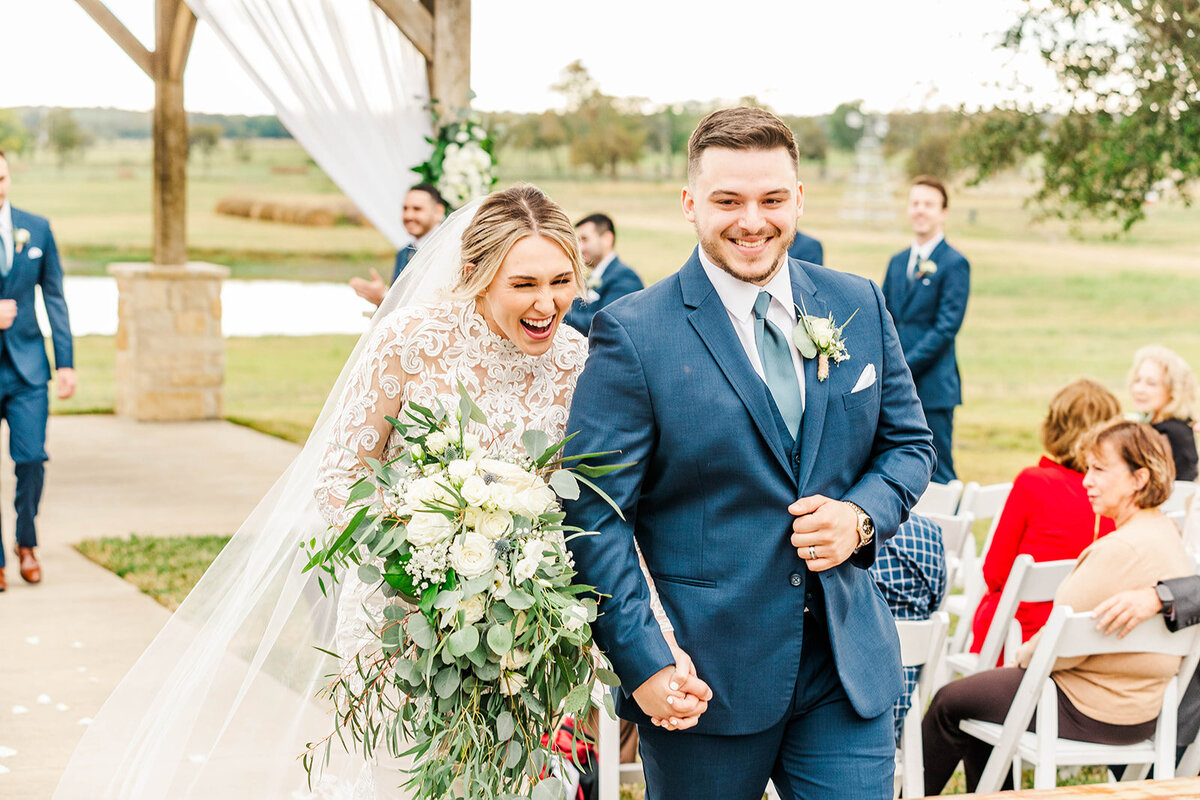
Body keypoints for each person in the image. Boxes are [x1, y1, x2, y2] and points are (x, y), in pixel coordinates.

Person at [52, 186, 701, 800]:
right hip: (401, 618)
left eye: (562, 282)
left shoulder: (578, 361)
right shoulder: (407, 343)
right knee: (404, 774)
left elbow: (598, 511)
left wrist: (652, 637)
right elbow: (341, 480)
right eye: (524, 284)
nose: (545, 304)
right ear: (476, 272)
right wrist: (425, 572)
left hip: (527, 630)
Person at [565, 106, 936, 800]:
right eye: (727, 201)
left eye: (771, 199)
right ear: (689, 203)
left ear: (798, 198)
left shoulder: (857, 302)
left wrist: (860, 516)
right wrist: (642, 661)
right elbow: (594, 514)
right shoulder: (634, 332)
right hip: (702, 678)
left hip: (844, 672)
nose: (752, 221)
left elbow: (909, 445)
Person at [923, 419, 1191, 794]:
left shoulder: (1119, 549)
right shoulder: (1167, 534)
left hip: (1087, 707)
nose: (1086, 480)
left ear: (1139, 479)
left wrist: (1021, 653)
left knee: (949, 701)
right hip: (1145, 712)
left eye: (1099, 470)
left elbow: (1053, 649)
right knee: (982, 701)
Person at [970, 379, 1120, 657]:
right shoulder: (1116, 495)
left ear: (1054, 426)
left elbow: (995, 573)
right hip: (1085, 637)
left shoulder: (1034, 482)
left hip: (1018, 636)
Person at [0, 149, 75, 591]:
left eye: (2, 177)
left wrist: (65, 362)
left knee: (31, 459)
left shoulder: (38, 228)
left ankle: (26, 543)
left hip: (29, 370)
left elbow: (55, 299)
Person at [881, 176, 970, 483]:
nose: (920, 210)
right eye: (915, 203)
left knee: (939, 469)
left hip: (933, 387)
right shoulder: (897, 262)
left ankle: (955, 530)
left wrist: (903, 366)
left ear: (943, 212)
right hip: (894, 388)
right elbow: (886, 319)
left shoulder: (955, 263)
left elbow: (946, 329)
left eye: (928, 204)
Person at [869, 513, 947, 741]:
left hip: (826, 723)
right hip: (899, 710)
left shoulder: (829, 538)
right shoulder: (930, 534)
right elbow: (936, 601)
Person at [348, 183, 446, 307]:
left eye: (417, 209)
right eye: (405, 208)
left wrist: (384, 296)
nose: (408, 215)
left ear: (438, 212)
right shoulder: (403, 253)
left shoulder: (450, 248)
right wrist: (382, 298)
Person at [563, 213, 644, 335]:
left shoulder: (626, 277)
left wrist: (558, 317)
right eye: (578, 241)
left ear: (607, 239)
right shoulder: (591, 277)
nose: (579, 248)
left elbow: (607, 323)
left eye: (584, 239)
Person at [1128, 344, 1198, 481]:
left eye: (1151, 383)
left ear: (1173, 390)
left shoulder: (1170, 433)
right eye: (1137, 380)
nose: (1139, 389)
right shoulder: (1157, 424)